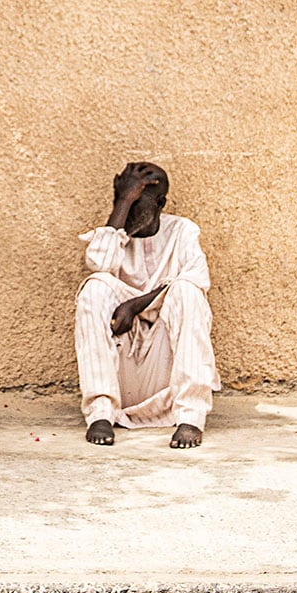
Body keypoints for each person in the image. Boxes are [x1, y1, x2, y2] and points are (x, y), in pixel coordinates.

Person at [75, 161, 219, 449]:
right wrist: (123, 203)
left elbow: (195, 279)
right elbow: (99, 263)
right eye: (122, 202)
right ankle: (101, 411)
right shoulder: (115, 233)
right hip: (122, 371)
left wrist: (134, 305)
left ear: (161, 203)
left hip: (165, 372)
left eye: (137, 204)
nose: (127, 216)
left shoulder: (183, 232)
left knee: (187, 291)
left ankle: (190, 416)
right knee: (94, 288)